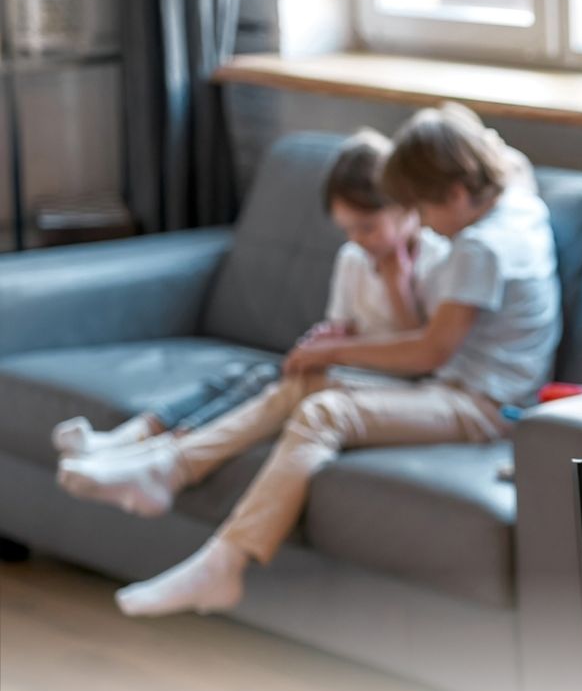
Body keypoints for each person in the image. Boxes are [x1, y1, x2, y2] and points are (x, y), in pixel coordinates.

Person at [103, 103, 560, 616]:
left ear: (456, 194)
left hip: (484, 405)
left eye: (424, 211)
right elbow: (495, 148)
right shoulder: (517, 194)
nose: (425, 226)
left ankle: (224, 563)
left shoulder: (481, 247)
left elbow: (431, 349)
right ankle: (169, 468)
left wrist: (333, 348)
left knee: (325, 411)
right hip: (461, 388)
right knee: (306, 384)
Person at [54, 128, 450, 499]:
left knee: (268, 380)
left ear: (407, 210)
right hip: (349, 367)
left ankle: (165, 450)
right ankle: (134, 437)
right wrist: (324, 338)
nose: (358, 240)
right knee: (244, 374)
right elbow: (342, 323)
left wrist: (399, 286)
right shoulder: (353, 258)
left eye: (368, 228)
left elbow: (423, 354)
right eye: (347, 230)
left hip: (392, 385)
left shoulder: (435, 261)